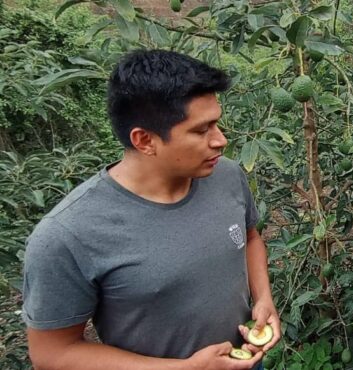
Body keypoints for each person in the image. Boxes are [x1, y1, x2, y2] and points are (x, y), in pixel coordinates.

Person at [21, 50, 280, 369]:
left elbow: (250, 238)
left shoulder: (226, 175)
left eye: (217, 124)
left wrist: (263, 298)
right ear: (145, 140)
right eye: (202, 130)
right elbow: (52, 354)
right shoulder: (67, 235)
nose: (221, 140)